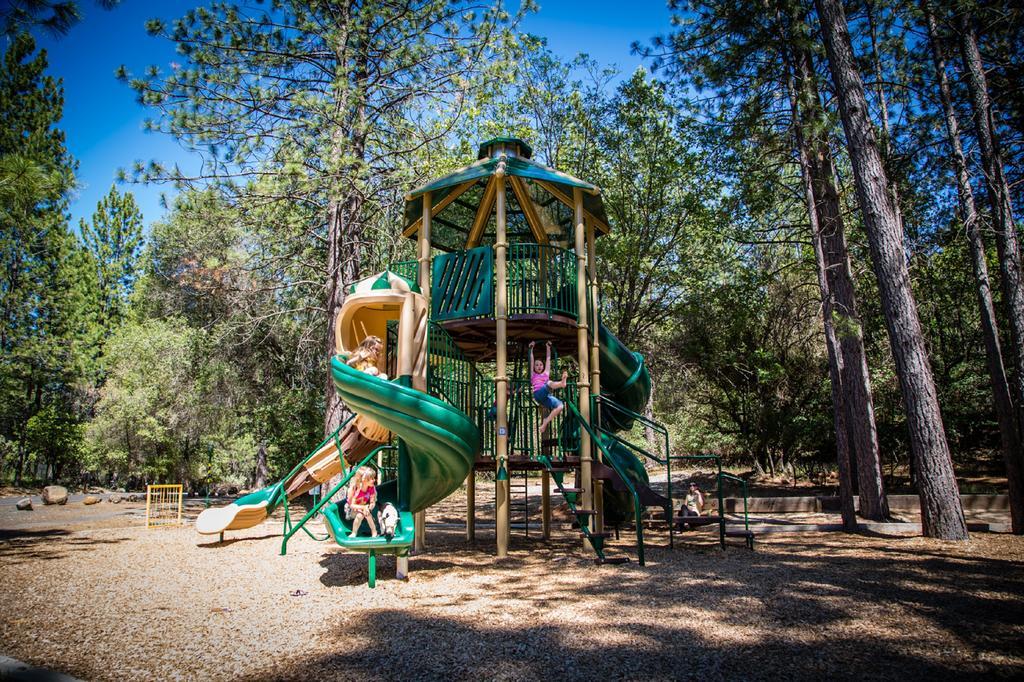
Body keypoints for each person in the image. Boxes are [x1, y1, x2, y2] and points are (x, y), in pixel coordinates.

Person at [529, 340, 569, 435]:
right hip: (538, 394)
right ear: (534, 367)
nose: (539, 366)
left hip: (546, 397)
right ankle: (562, 384)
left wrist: (548, 348)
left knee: (560, 406)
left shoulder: (545, 374)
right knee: (549, 383)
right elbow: (531, 360)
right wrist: (531, 349)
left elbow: (548, 359)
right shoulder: (533, 375)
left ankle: (545, 422)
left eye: (540, 365)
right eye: (537, 365)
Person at [346, 466, 378, 538]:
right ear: (364, 480)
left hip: (364, 507)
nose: (374, 480)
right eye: (371, 478)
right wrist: (364, 507)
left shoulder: (371, 488)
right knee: (359, 516)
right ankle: (354, 532)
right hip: (352, 509)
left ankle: (374, 531)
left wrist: (369, 508)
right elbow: (352, 505)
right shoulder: (356, 490)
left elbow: (372, 502)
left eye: (374, 478)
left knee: (367, 514)